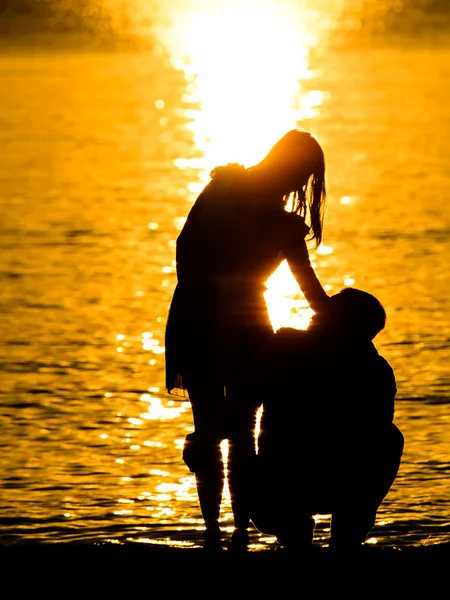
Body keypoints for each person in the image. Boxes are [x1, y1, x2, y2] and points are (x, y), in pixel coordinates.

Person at [165, 130, 330, 550]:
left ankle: (224, 531)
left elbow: (184, 251)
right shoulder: (241, 198)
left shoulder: (231, 194)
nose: (299, 185)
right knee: (237, 431)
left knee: (225, 428)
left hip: (204, 316)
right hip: (221, 321)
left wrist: (340, 316)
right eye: (302, 174)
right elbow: (310, 289)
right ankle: (224, 529)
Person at [251, 287, 405, 554]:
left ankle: (299, 534)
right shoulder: (376, 368)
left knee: (386, 438)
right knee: (389, 438)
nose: (315, 311)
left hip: (289, 480)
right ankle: (345, 537)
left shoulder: (283, 347)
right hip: (328, 478)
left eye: (326, 308)